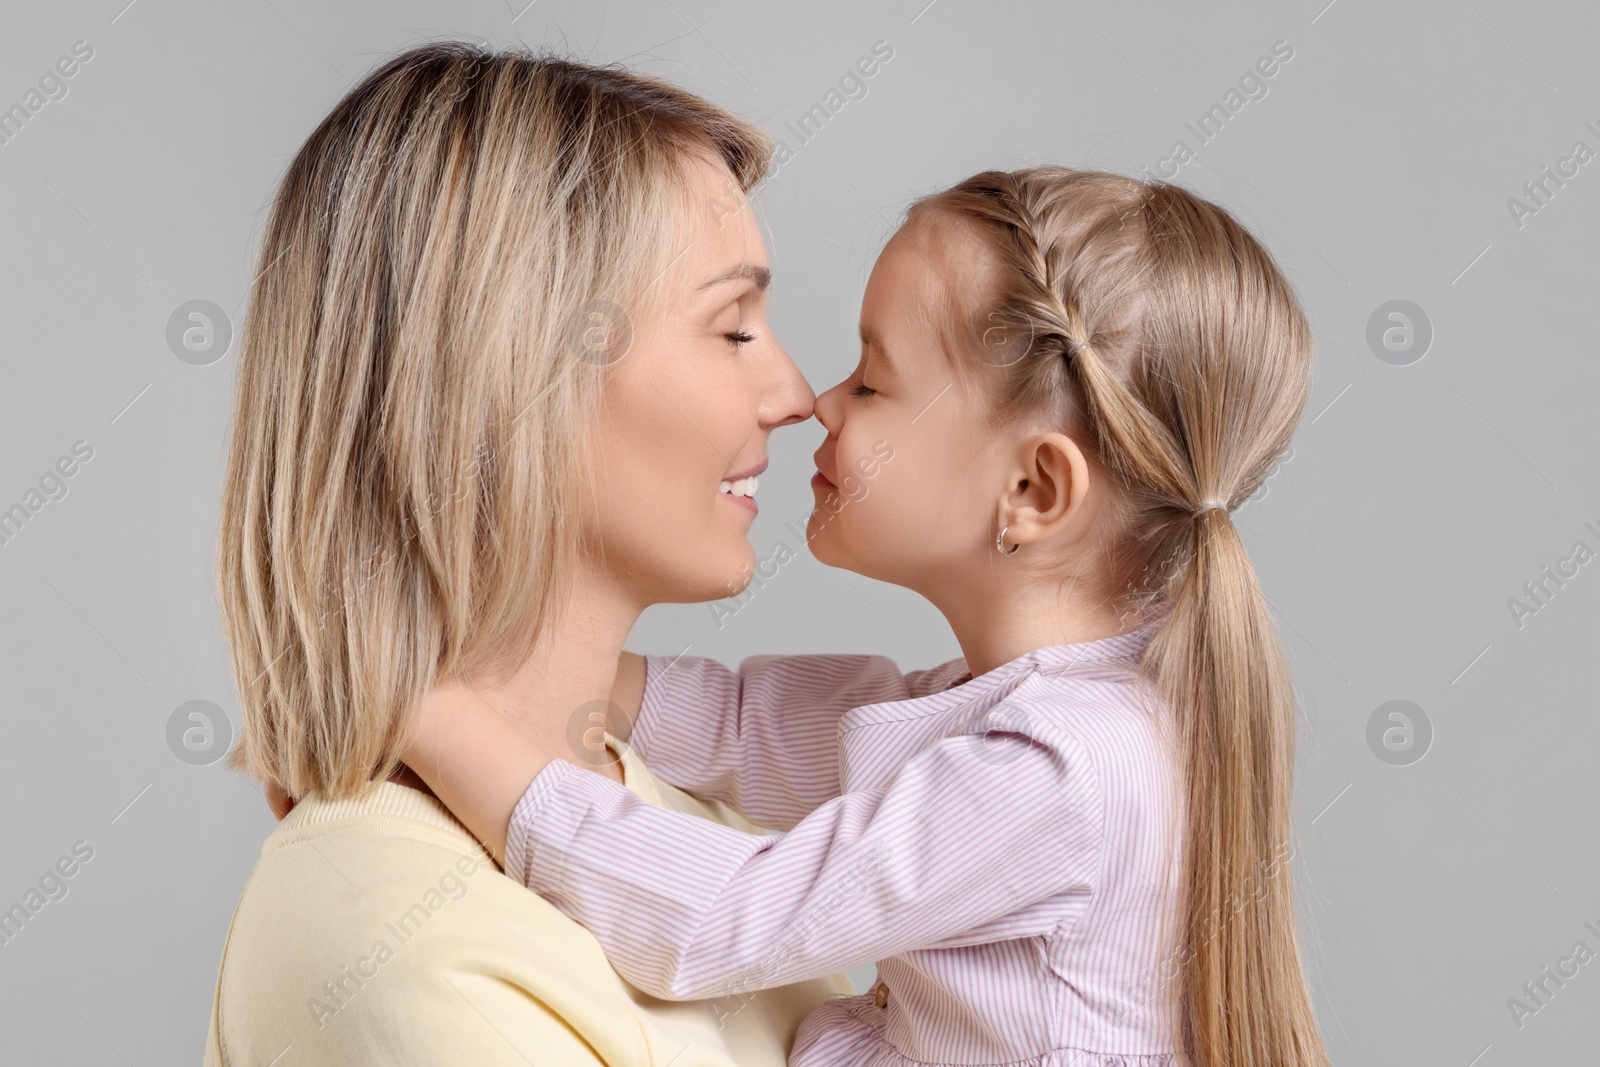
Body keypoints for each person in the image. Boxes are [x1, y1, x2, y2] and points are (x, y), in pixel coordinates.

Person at [402, 166, 1334, 1067]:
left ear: (1033, 488)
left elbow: (723, 919)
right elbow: (764, 727)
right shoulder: (1047, 720)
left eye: (872, 382)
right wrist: (524, 668)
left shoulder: (1059, 772)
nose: (819, 402)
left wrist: (416, 711)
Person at [203, 40, 855, 1066]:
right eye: (731, 328)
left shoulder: (690, 830)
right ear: (511, 372)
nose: (794, 395)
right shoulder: (390, 935)